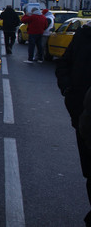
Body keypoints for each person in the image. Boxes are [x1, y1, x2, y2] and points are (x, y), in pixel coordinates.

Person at [56, 23, 91, 226]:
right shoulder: (84, 35)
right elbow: (64, 65)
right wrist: (68, 91)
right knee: (89, 172)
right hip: (83, 115)